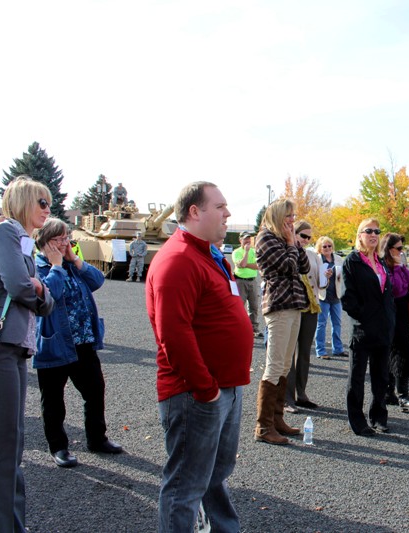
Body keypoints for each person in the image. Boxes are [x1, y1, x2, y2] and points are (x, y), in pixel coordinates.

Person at [146, 181, 253, 532]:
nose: (228, 213)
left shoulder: (208, 253)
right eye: (220, 207)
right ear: (195, 211)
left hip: (224, 387)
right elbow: (173, 335)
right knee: (185, 485)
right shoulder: (177, 259)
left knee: (214, 476)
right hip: (197, 394)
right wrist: (206, 388)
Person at [34, 218, 123, 469]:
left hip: (83, 341)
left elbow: (97, 281)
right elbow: (50, 293)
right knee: (53, 399)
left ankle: (97, 439)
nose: (65, 244)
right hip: (54, 342)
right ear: (45, 242)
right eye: (59, 239)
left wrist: (74, 260)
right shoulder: (38, 268)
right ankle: (59, 447)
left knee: (95, 391)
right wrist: (57, 266)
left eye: (66, 238)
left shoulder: (71, 265)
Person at [0, 177, 55, 533]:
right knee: (6, 445)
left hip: (17, 348)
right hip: (4, 346)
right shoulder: (6, 232)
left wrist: (38, 291)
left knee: (13, 443)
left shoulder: (22, 240)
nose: (48, 210)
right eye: (42, 202)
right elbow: (21, 285)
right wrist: (38, 291)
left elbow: (43, 298)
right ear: (22, 202)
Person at [254, 199, 309, 445]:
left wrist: (296, 243)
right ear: (277, 216)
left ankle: (277, 420)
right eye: (288, 215)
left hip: (295, 304)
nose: (292, 219)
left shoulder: (286, 239)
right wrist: (290, 244)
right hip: (278, 305)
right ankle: (264, 427)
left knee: (285, 365)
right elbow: (288, 267)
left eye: (293, 215)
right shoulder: (266, 238)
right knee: (275, 365)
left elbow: (303, 266)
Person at [341, 219, 395, 435]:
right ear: (360, 235)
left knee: (381, 375)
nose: (374, 235)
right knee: (357, 377)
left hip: (383, 327)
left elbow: (387, 294)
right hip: (362, 328)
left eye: (377, 231)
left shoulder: (381, 261)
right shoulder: (351, 262)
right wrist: (363, 317)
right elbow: (348, 298)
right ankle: (357, 420)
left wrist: (390, 317)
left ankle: (378, 416)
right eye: (369, 231)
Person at [380, 232, 409, 411]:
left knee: (403, 351)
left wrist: (401, 266)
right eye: (398, 248)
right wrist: (396, 268)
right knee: (390, 351)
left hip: (402, 311)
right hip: (389, 311)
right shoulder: (382, 267)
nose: (401, 251)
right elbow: (395, 289)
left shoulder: (398, 266)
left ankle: (403, 394)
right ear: (389, 249)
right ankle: (390, 393)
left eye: (401, 248)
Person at [285, 221, 322, 412]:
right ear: (294, 234)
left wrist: (327, 278)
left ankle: (302, 393)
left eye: (309, 237)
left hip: (311, 306)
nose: (306, 240)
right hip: (292, 306)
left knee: (304, 352)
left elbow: (320, 283)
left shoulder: (314, 255)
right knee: (289, 354)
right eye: (303, 236)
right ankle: (287, 398)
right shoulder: (288, 250)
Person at [315, 236, 346, 359]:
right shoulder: (317, 260)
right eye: (324, 246)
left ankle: (337, 349)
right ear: (320, 248)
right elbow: (313, 277)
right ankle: (321, 350)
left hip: (336, 295)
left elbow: (343, 275)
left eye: (329, 246)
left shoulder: (338, 259)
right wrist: (323, 275)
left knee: (337, 323)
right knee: (321, 324)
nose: (327, 248)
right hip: (323, 296)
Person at [232, 231, 262, 336]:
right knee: (239, 305)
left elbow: (258, 266)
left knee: (254, 306)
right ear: (240, 240)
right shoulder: (236, 252)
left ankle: (253, 329)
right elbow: (241, 264)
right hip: (240, 281)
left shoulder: (254, 251)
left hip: (252, 280)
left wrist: (246, 265)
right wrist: (246, 252)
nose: (247, 241)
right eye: (245, 239)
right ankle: (238, 327)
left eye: (249, 238)